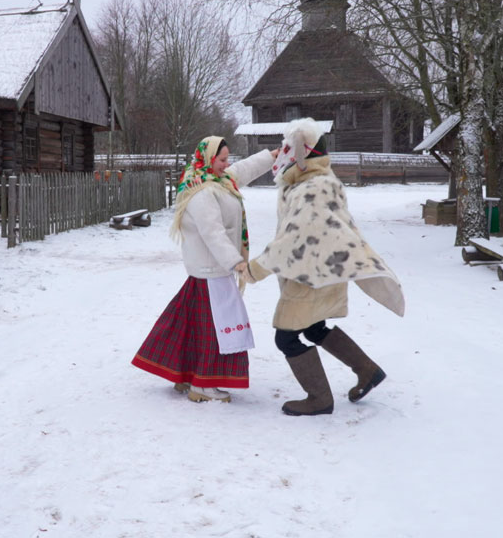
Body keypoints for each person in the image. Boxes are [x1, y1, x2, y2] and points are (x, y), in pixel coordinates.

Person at [242, 117, 405, 416]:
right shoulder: (317, 181)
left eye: (287, 147)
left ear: (302, 153)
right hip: (322, 272)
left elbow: (293, 241)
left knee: (287, 336)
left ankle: (319, 398)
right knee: (315, 327)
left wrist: (255, 269)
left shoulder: (311, 189)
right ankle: (367, 371)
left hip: (311, 276)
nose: (283, 152)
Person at [131, 137, 276, 402]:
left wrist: (273, 156)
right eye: (222, 159)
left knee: (192, 326)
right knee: (215, 330)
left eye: (227, 158)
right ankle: (204, 386)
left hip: (210, 270)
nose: (227, 164)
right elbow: (214, 234)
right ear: (208, 159)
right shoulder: (202, 192)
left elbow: (243, 170)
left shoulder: (215, 179)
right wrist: (238, 262)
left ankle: (186, 374)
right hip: (212, 270)